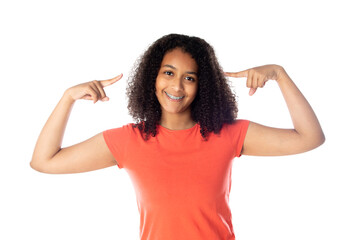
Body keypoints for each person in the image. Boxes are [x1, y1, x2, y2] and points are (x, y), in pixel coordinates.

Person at [31, 33, 325, 239]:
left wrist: (279, 74)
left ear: (203, 85)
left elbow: (309, 137)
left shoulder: (226, 133)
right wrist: (67, 97)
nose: (177, 86)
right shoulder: (129, 140)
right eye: (168, 73)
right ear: (153, 77)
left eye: (190, 77)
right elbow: (44, 161)